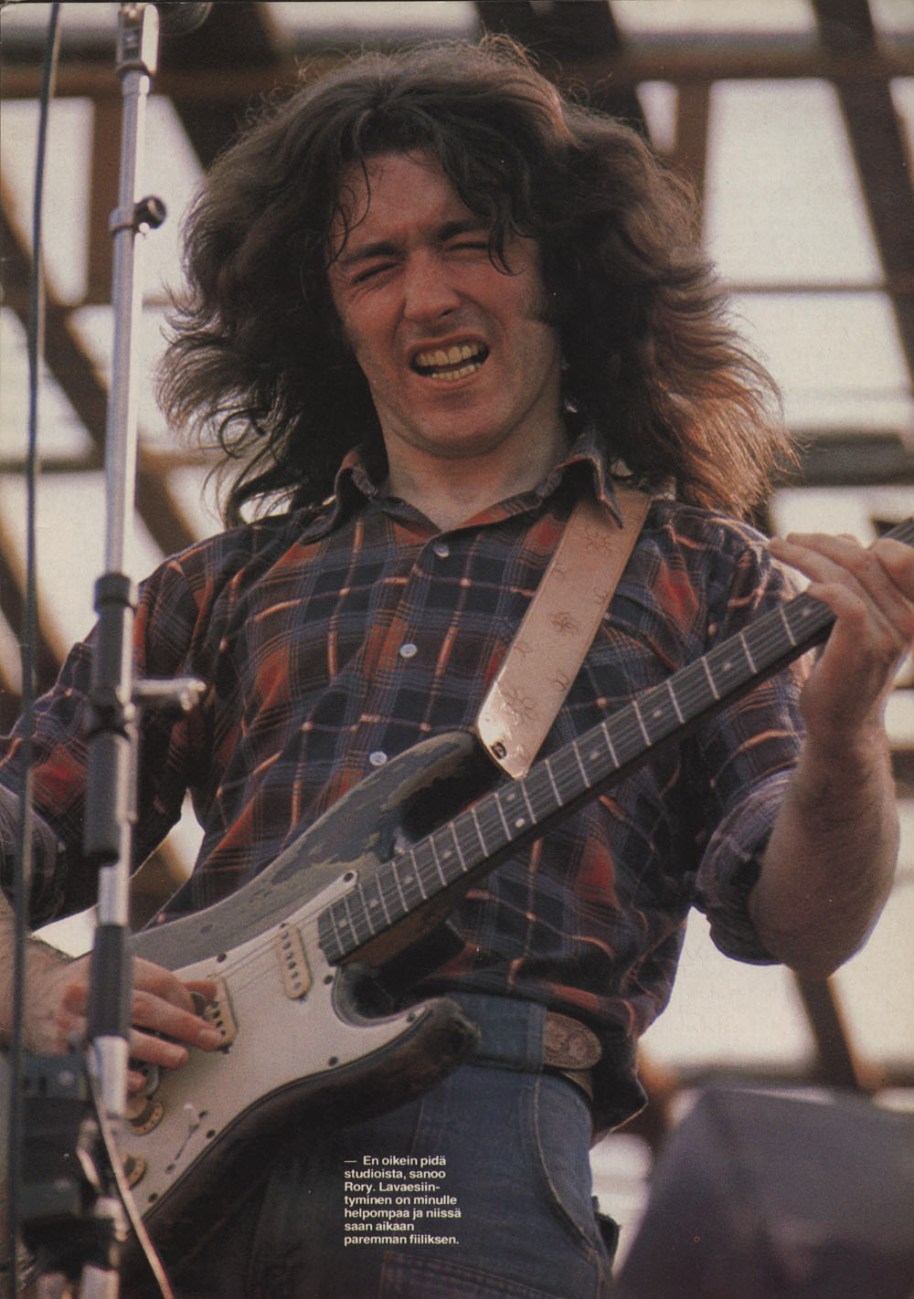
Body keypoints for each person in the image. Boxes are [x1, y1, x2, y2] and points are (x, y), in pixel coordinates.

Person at [1, 38, 912, 1299]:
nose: (425, 296)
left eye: (469, 243)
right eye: (373, 265)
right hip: (159, 1151)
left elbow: (805, 920)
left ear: (562, 275)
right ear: (325, 314)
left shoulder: (701, 575)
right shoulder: (213, 587)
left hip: (458, 1142)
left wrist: (848, 728)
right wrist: (40, 986)